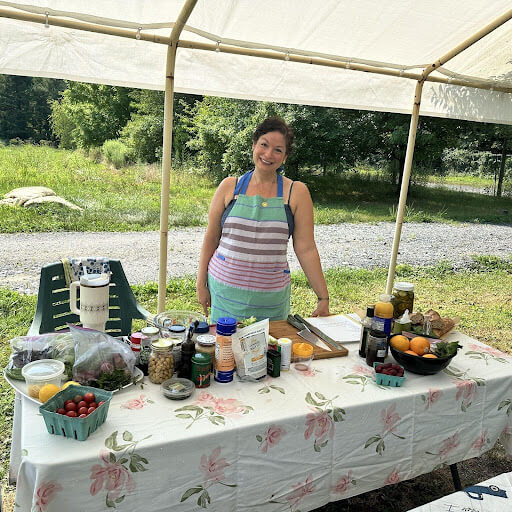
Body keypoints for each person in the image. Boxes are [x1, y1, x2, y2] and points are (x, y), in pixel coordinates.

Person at [196, 117, 330, 323]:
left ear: (285, 156)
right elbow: (211, 238)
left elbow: (306, 248)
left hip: (271, 299)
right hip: (225, 293)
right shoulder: (229, 186)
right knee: (225, 351)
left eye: (278, 150)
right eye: (264, 145)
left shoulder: (296, 192)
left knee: (268, 351)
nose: (268, 154)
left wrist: (323, 297)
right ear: (254, 145)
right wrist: (201, 285)